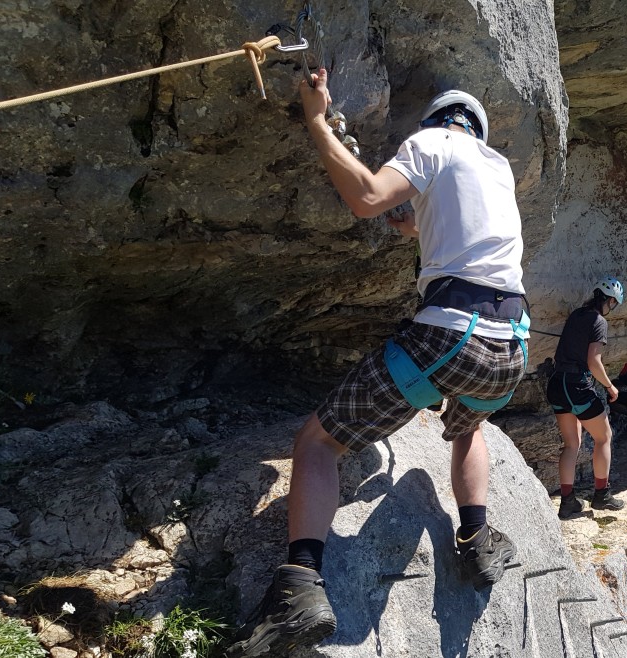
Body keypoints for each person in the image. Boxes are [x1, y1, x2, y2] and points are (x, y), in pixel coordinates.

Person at [226, 72, 529, 657]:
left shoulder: (432, 143)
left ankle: (300, 587)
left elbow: (366, 196)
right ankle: (476, 536)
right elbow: (462, 224)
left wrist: (317, 119)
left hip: (450, 337)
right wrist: (415, 223)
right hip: (509, 349)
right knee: (469, 426)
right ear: (479, 129)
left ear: (439, 121)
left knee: (317, 443)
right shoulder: (499, 169)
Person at [546, 277, 627, 519]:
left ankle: (567, 501)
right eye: (614, 304)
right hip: (577, 386)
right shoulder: (599, 322)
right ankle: (602, 495)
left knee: (572, 444)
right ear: (611, 300)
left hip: (557, 384)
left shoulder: (576, 314)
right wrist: (610, 387)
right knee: (604, 437)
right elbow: (594, 361)